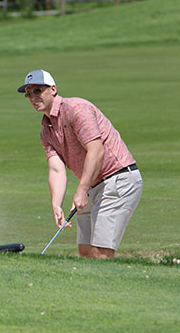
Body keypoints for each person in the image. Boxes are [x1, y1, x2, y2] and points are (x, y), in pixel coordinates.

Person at [18, 69, 143, 259]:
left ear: (53, 89)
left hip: (118, 181)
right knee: (85, 252)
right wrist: (56, 205)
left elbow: (96, 150)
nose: (33, 97)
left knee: (100, 252)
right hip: (93, 185)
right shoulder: (46, 132)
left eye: (37, 91)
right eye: (29, 93)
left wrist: (82, 189)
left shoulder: (76, 108)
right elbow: (56, 169)